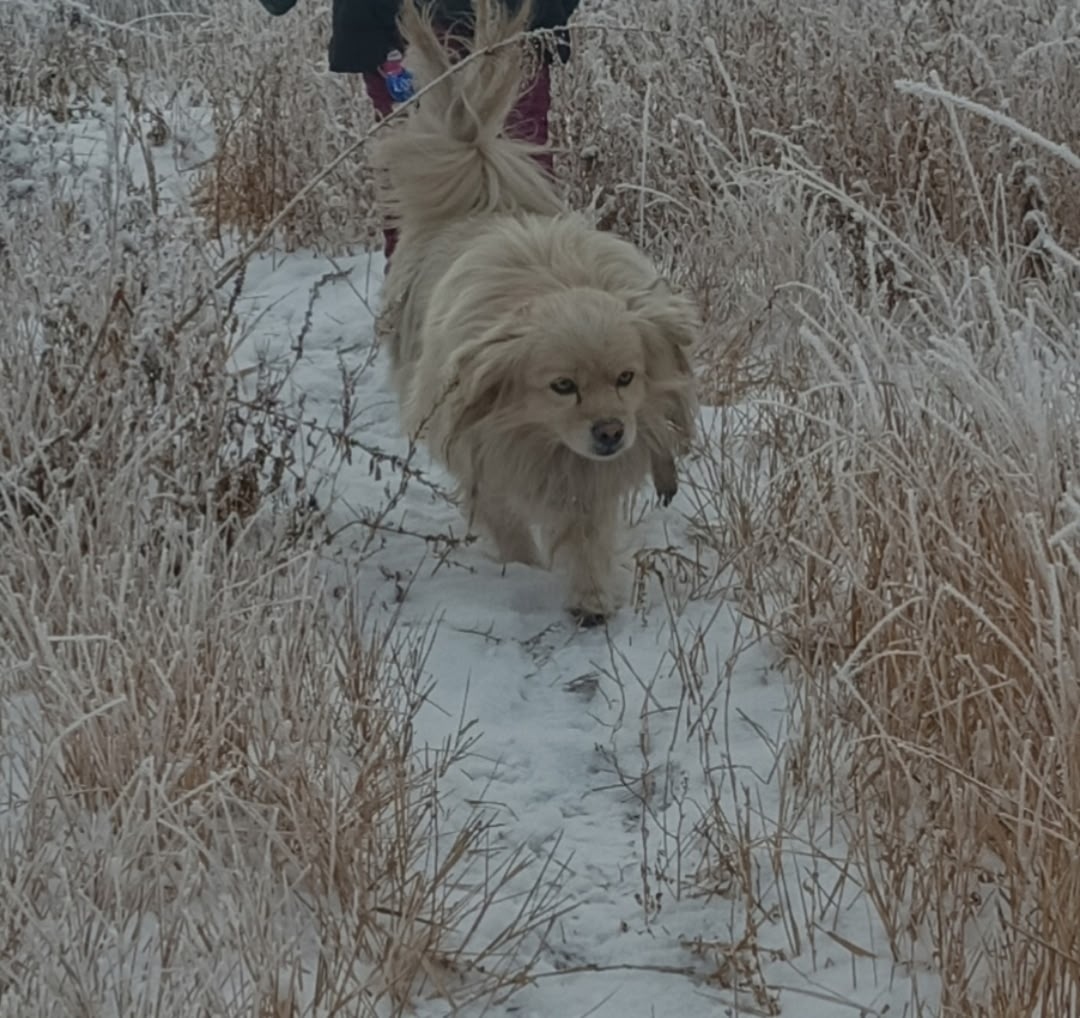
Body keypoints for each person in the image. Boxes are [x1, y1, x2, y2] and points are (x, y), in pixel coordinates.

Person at [256, 0, 580, 264]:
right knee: (519, 182)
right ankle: (511, 309)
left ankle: (426, 316)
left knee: (422, 191)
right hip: (489, 22)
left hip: (443, 25)